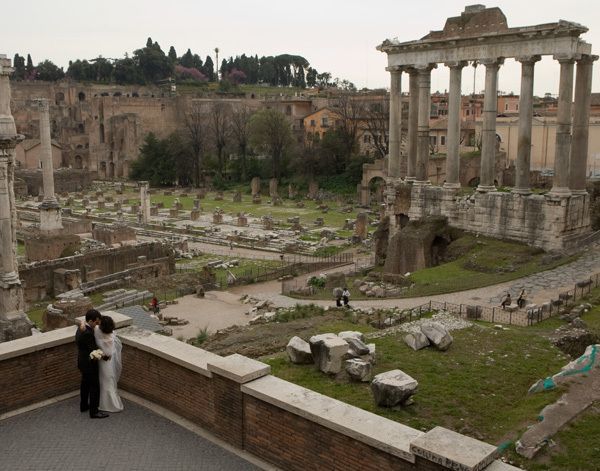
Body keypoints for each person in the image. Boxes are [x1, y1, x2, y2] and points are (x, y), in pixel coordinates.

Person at [76, 309, 109, 419]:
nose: (97, 325)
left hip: (82, 362)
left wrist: (82, 323)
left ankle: (84, 405)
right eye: (96, 322)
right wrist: (105, 357)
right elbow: (94, 351)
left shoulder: (81, 328)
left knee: (84, 385)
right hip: (89, 365)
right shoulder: (88, 333)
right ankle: (94, 411)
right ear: (90, 321)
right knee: (94, 387)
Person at [94, 316, 123, 413]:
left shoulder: (97, 331)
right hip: (108, 361)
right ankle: (111, 403)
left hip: (101, 360)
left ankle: (105, 403)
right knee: (108, 380)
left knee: (103, 380)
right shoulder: (111, 336)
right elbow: (110, 353)